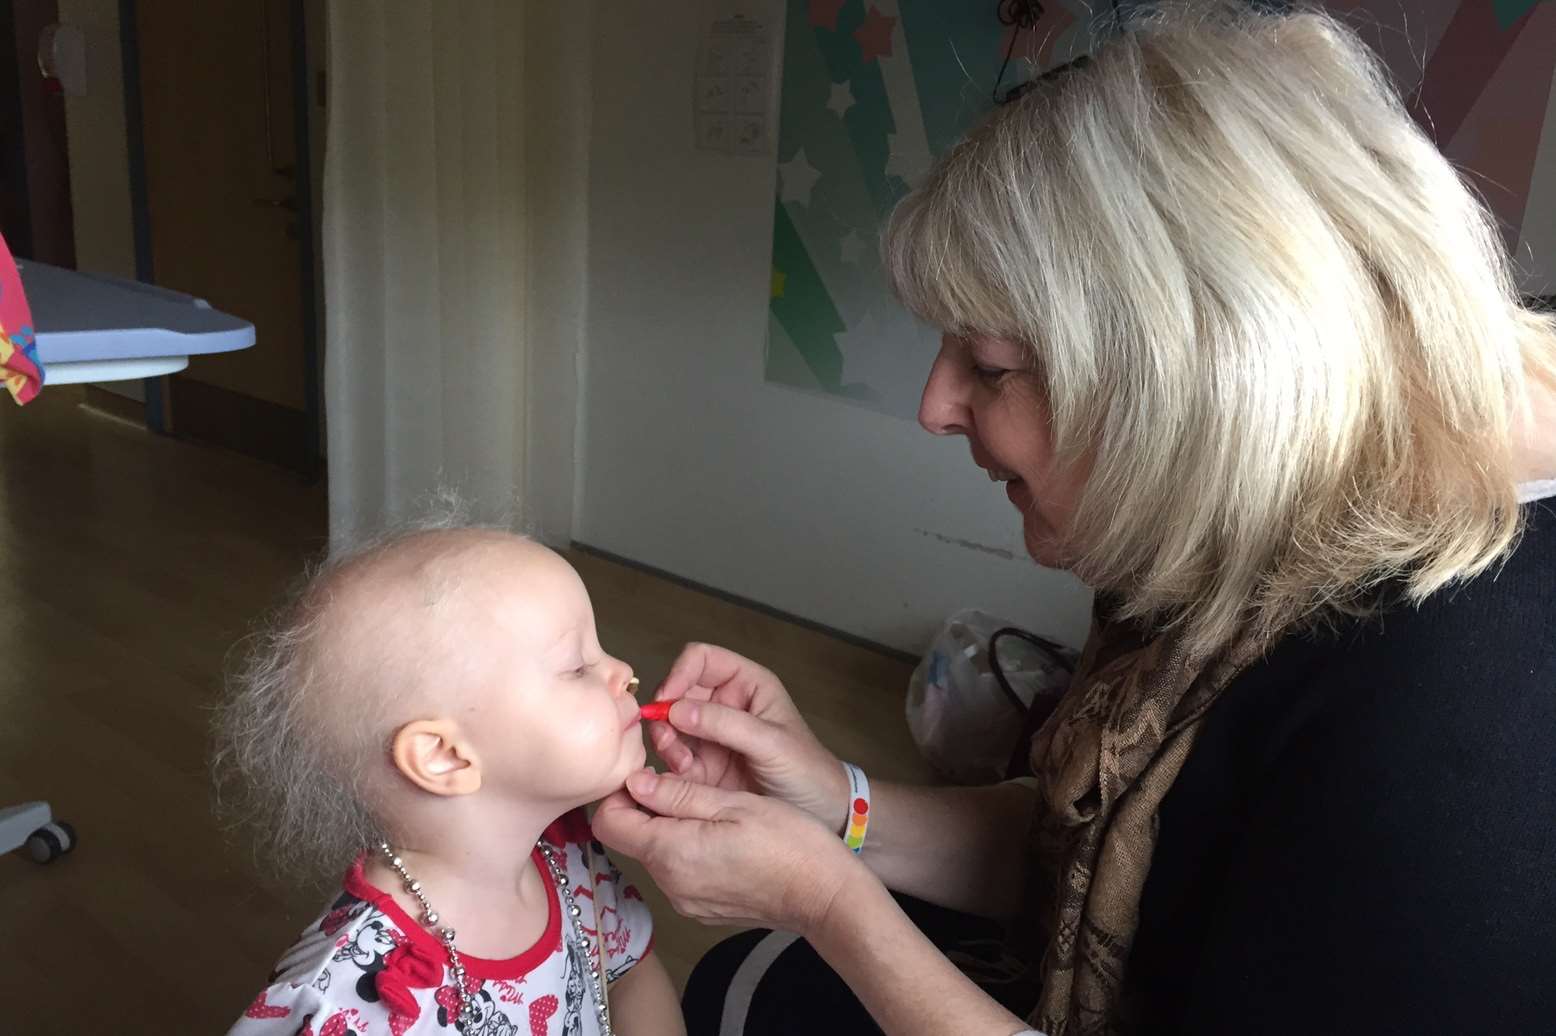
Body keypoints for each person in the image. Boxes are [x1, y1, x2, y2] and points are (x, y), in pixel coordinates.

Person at [590, 6, 1556, 1035]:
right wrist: (840, 802)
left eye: (992, 365)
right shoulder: (1251, 512)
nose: (932, 405)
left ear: (1194, 374)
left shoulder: (1458, 732)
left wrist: (828, 900)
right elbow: (1110, 848)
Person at [213, 526, 684, 1036]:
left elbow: (628, 973)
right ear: (444, 757)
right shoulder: (364, 1003)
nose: (625, 672)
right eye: (576, 667)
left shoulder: (565, 855)